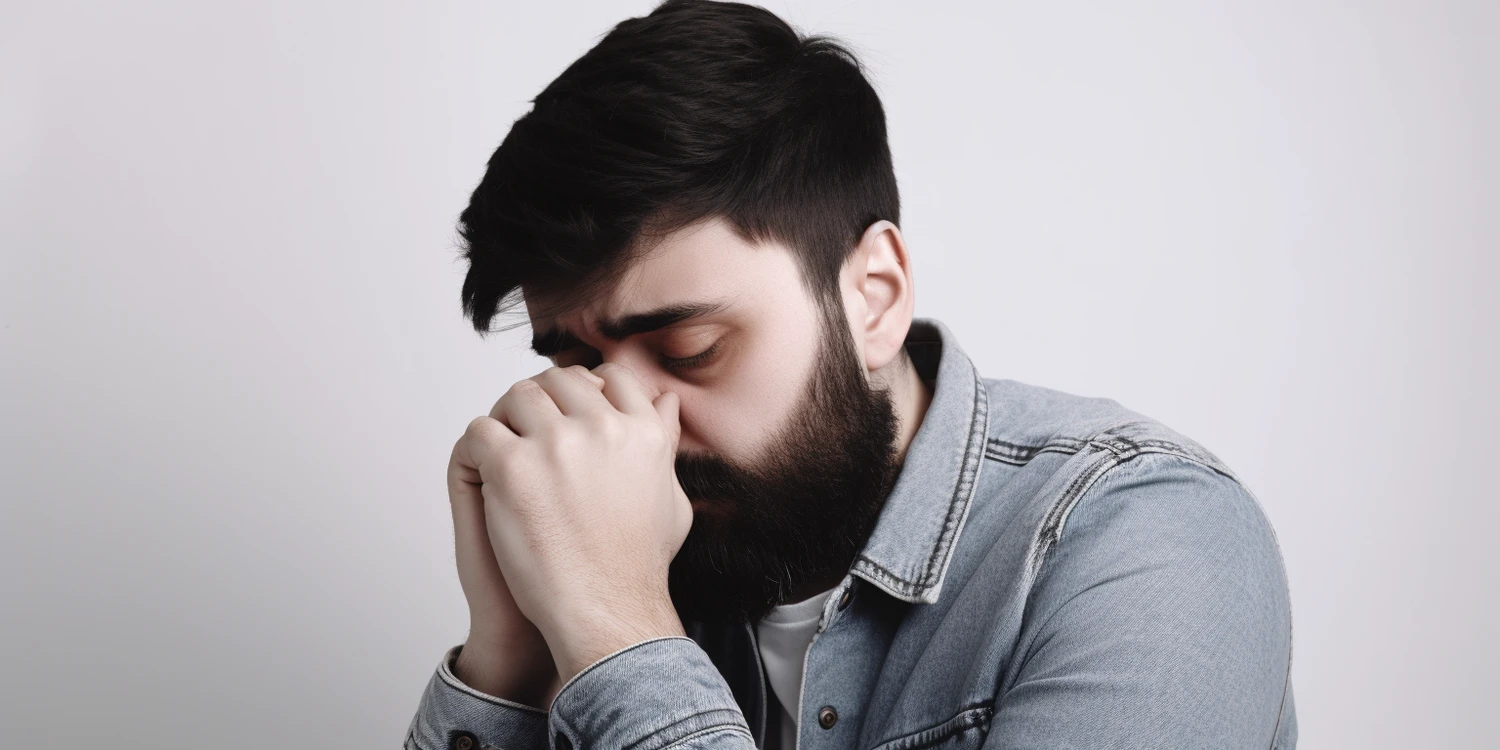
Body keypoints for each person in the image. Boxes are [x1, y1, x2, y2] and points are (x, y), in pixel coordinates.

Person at [404, 1, 1297, 748]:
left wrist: (617, 630)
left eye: (690, 350)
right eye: (580, 365)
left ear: (873, 298)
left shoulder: (1145, 537)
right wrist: (513, 654)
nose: (635, 424)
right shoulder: (633, 550)